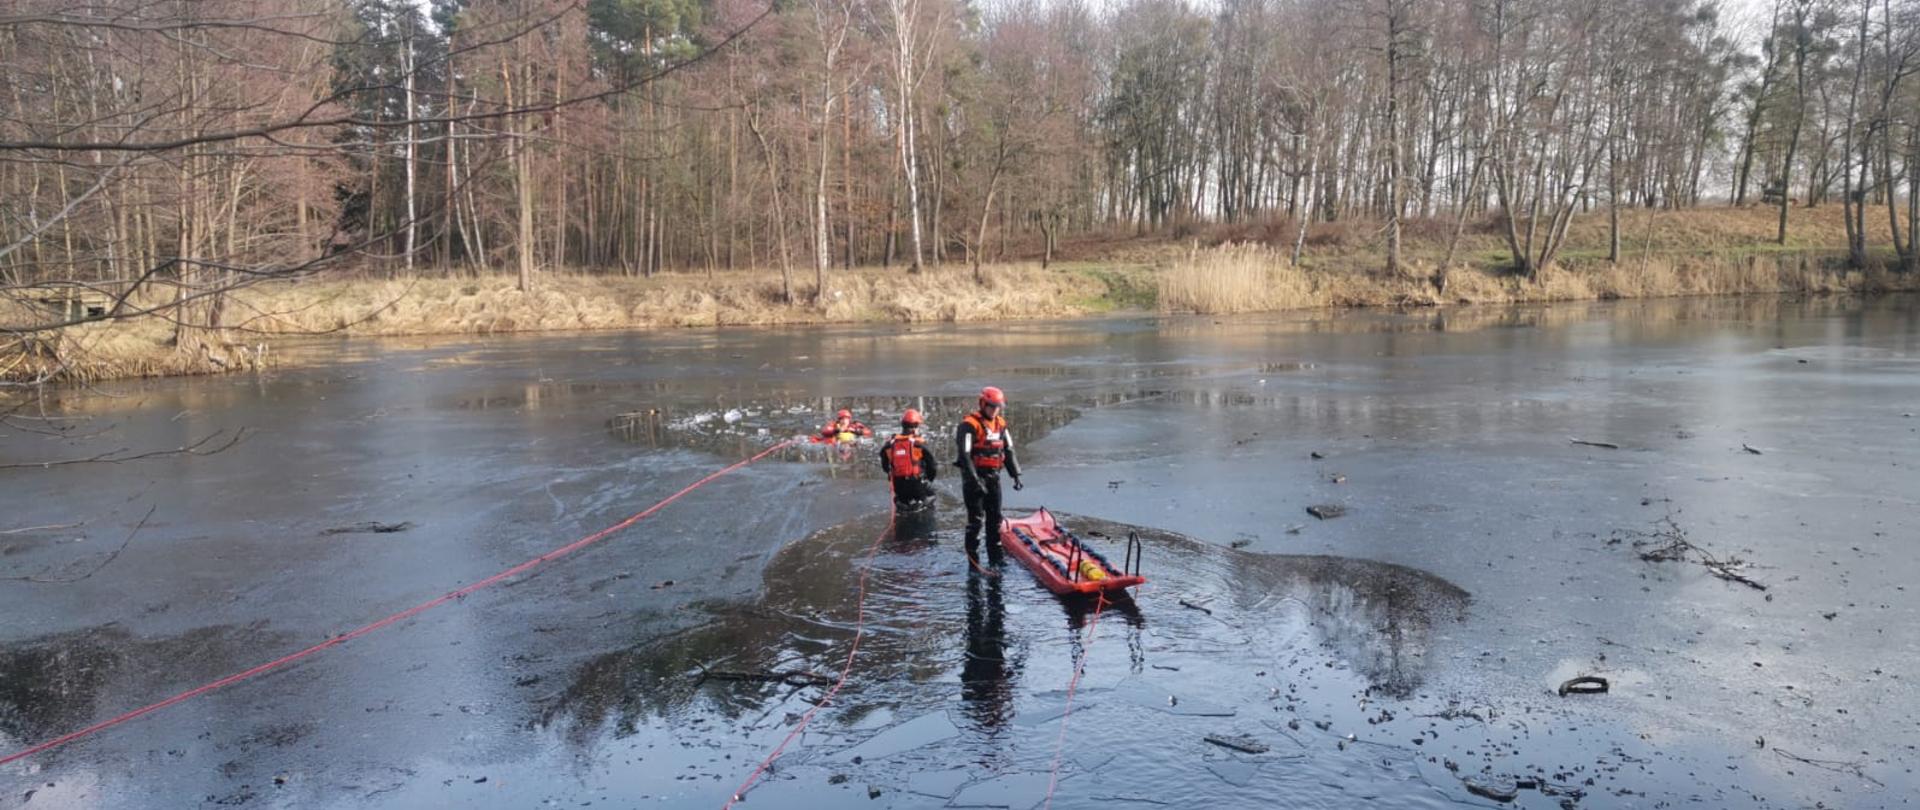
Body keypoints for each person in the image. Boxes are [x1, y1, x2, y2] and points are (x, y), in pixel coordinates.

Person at [955, 386, 1022, 563]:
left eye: (998, 406)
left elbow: (1008, 450)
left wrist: (1015, 475)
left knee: (995, 518)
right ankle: (973, 557)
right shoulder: (969, 425)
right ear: (983, 404)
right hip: (974, 479)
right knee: (976, 521)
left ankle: (995, 556)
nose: (995, 410)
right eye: (992, 406)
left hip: (993, 478)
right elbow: (965, 455)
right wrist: (975, 481)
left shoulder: (1001, 424)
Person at [877, 408, 937, 509]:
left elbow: (885, 465)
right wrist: (929, 478)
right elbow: (932, 465)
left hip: (899, 486)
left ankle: (902, 503)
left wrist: (890, 473)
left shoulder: (890, 444)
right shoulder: (918, 444)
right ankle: (921, 504)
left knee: (902, 500)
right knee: (932, 495)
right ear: (915, 427)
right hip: (916, 485)